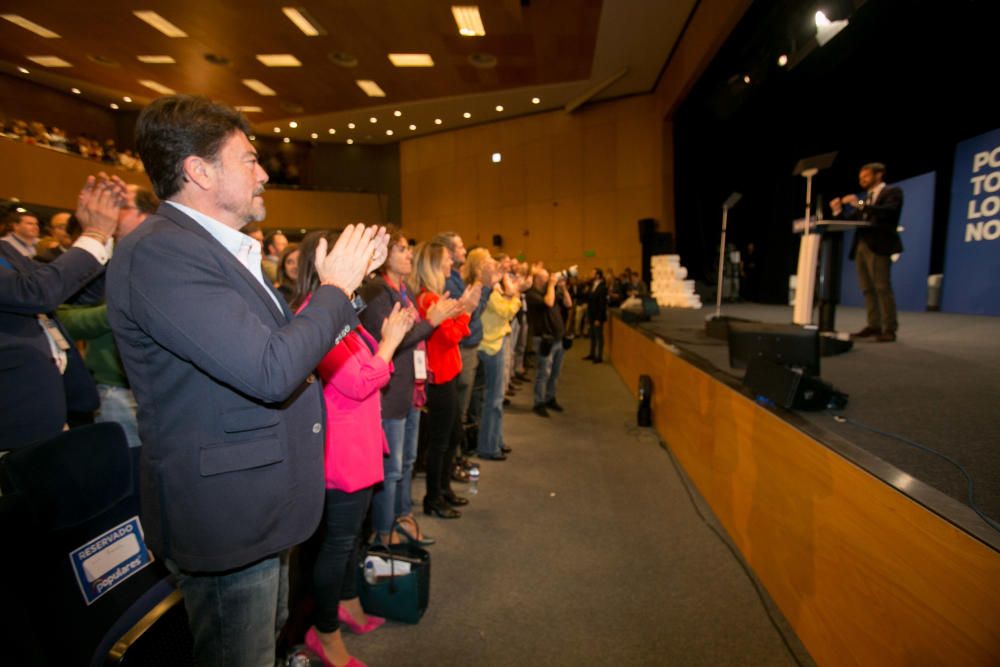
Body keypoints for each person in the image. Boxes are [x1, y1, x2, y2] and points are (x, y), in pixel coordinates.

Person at [105, 95, 387, 667]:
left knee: (265, 642)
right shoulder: (162, 253)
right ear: (199, 171)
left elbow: (283, 353)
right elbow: (271, 369)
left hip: (260, 502)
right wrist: (333, 290)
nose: (263, 173)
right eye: (249, 159)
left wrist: (344, 290)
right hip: (226, 514)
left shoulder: (216, 252)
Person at [293, 231, 414, 667]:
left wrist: (379, 351)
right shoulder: (314, 314)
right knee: (338, 546)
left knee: (350, 541)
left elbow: (365, 365)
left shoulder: (337, 312)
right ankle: (323, 633)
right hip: (340, 452)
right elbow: (361, 380)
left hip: (358, 442)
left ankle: (348, 604)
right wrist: (391, 342)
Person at [1, 175, 125, 450]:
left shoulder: (7, 252)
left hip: (50, 410)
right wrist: (94, 234)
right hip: (14, 419)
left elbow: (81, 294)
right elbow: (35, 293)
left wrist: (105, 237)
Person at [359, 227, 460, 545]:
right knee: (391, 469)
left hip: (410, 387)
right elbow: (393, 341)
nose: (409, 254)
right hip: (391, 391)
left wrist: (431, 320)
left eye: (407, 249)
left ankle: (403, 519)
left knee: (405, 462)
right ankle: (385, 534)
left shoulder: (402, 290)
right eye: (401, 249)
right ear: (384, 255)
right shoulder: (377, 290)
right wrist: (432, 321)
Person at [57, 186, 159, 448]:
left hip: (165, 391)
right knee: (126, 477)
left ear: (144, 215)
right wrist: (117, 310)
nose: (112, 212)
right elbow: (63, 321)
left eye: (122, 206)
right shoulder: (94, 262)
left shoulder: (168, 259)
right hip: (117, 392)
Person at [409, 240, 475, 519]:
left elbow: (454, 332)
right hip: (439, 377)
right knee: (441, 441)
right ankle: (433, 497)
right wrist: (467, 311)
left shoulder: (434, 297)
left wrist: (460, 312)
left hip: (445, 374)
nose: (452, 263)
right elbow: (452, 336)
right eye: (448, 259)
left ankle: (443, 489)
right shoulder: (431, 300)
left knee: (452, 436)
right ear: (435, 265)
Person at [831, 162, 904, 342]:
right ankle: (874, 325)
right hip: (861, 246)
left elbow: (888, 212)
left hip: (879, 246)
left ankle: (889, 328)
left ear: (878, 175)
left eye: (866, 176)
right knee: (867, 289)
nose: (862, 180)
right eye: (860, 177)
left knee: (882, 287)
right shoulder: (867, 198)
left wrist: (859, 203)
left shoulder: (892, 192)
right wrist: (837, 209)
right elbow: (848, 222)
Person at [470, 249, 518, 460]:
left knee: (494, 399)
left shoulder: (489, 287)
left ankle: (495, 440)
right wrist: (515, 294)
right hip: (491, 345)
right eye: (489, 262)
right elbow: (506, 311)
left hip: (493, 342)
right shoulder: (484, 288)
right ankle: (489, 446)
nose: (495, 265)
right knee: (494, 399)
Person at [526, 266, 572, 417]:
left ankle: (550, 398)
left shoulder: (550, 290)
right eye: (546, 277)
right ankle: (538, 402)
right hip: (544, 339)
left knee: (555, 372)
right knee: (543, 372)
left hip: (558, 338)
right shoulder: (532, 294)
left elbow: (568, 304)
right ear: (538, 279)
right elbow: (549, 303)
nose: (549, 279)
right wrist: (552, 285)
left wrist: (563, 289)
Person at [584, 268, 608, 363]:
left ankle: (599, 356)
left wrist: (598, 318)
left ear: (598, 275)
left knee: (599, 336)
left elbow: (602, 304)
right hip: (591, 314)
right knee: (592, 335)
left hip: (598, 316)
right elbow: (589, 299)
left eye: (592, 273)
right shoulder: (592, 285)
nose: (591, 274)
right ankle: (592, 354)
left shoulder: (602, 287)